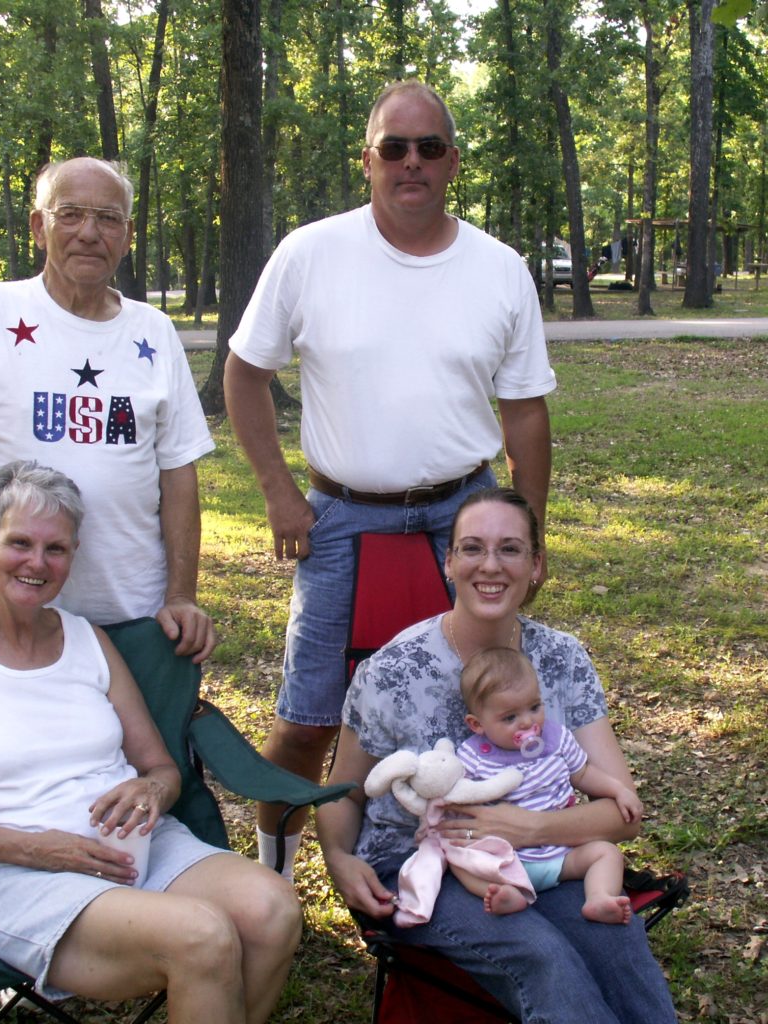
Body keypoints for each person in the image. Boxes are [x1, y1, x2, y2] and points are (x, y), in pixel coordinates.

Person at [224, 80, 555, 874]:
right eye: (394, 148)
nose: (412, 163)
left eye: (429, 148)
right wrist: (278, 492)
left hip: (466, 517)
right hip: (340, 517)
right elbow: (243, 375)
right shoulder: (310, 253)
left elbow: (527, 415)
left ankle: (469, 867)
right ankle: (273, 872)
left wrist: (525, 536)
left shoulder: (499, 268)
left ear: (453, 163)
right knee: (308, 718)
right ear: (367, 159)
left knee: (482, 701)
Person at [0, 460, 301, 1023]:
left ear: (72, 556)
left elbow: (160, 768)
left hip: (135, 852)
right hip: (8, 876)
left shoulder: (88, 641)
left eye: (56, 549)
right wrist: (37, 849)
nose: (37, 563)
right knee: (202, 937)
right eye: (20, 543)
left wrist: (151, 790)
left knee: (273, 909)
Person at [316, 487, 677, 1023]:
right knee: (543, 956)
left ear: (536, 565)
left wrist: (526, 829)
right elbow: (344, 790)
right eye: (472, 548)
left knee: (617, 947)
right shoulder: (392, 671)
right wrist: (339, 860)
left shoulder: (562, 658)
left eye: (510, 549)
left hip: (543, 857)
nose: (491, 565)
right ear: (449, 562)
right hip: (425, 866)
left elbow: (622, 816)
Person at [0, 157, 215, 661]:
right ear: (38, 226)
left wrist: (180, 595)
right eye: (70, 214)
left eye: (109, 218)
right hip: (14, 615)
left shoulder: (154, 332)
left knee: (141, 742)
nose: (90, 233)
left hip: (135, 619)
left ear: (128, 234)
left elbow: (179, 473)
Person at [455, 647, 641, 922]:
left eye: (534, 707)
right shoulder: (474, 756)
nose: (528, 721)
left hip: (561, 853)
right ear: (477, 724)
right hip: (506, 861)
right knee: (461, 862)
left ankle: (599, 897)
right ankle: (505, 894)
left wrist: (618, 790)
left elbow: (583, 772)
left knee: (607, 853)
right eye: (510, 717)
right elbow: (457, 797)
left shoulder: (556, 739)